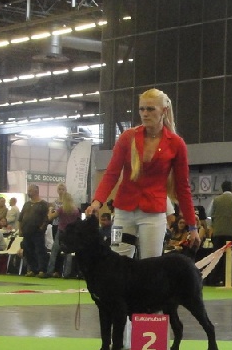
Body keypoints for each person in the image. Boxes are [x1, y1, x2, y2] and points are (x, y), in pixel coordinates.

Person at [85, 88, 199, 259]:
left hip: (154, 214)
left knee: (151, 264)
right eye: (142, 109)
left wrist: (192, 226)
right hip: (122, 212)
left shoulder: (177, 144)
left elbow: (183, 187)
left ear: (164, 111)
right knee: (116, 259)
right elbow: (111, 174)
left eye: (150, 109)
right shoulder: (127, 137)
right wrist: (96, 202)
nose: (145, 114)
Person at [207, 180, 232, 286]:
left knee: (217, 256)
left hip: (218, 232)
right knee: (229, 257)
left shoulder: (216, 200)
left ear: (222, 188)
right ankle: (227, 280)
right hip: (231, 233)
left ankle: (213, 280)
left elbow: (210, 215)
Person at [44, 192, 80, 278]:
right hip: (71, 233)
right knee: (69, 253)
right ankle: (67, 273)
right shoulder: (76, 210)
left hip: (61, 232)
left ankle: (49, 271)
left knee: (54, 251)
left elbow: (50, 217)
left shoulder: (61, 209)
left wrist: (50, 210)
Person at [18, 184, 49, 278]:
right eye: (28, 190)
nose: (28, 192)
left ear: (36, 191)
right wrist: (20, 229)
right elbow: (20, 218)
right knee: (28, 251)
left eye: (30, 190)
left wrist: (41, 228)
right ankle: (32, 269)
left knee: (40, 250)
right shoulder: (26, 204)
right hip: (26, 232)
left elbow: (46, 218)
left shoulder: (43, 204)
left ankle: (42, 270)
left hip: (37, 232)